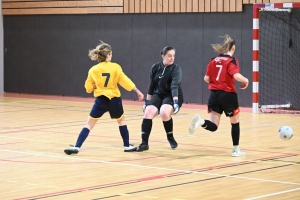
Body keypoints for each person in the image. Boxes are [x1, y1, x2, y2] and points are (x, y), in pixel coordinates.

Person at [64, 41, 144, 155]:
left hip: (101, 100)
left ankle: (77, 146)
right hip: (114, 100)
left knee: (89, 124)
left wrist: (95, 85)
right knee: (121, 121)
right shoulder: (115, 67)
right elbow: (124, 80)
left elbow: (88, 88)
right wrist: (137, 91)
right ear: (108, 55)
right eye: (111, 54)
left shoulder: (93, 70)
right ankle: (127, 145)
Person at [188, 35, 249, 157]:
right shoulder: (231, 61)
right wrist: (246, 80)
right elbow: (236, 76)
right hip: (227, 95)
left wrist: (217, 82)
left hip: (214, 95)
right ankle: (236, 150)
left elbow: (206, 78)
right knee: (235, 122)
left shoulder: (213, 60)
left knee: (214, 125)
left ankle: (200, 121)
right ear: (233, 48)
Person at [136, 46, 183, 152]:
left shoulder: (176, 69)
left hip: (172, 95)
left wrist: (175, 102)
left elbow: (174, 86)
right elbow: (151, 85)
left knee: (164, 112)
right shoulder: (155, 67)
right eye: (169, 56)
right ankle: (144, 143)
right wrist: (147, 102)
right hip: (158, 94)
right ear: (163, 56)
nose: (172, 58)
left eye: (173, 56)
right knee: (148, 112)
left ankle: (170, 137)